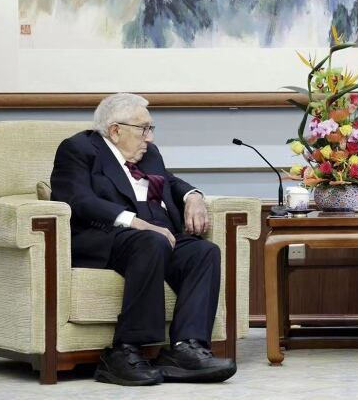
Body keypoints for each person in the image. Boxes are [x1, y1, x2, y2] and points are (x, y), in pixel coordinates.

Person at [50, 93, 237, 386]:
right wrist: (136, 223)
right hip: (107, 237)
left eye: (151, 129)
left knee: (204, 252)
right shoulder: (79, 149)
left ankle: (185, 348)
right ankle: (124, 352)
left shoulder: (149, 153)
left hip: (159, 237)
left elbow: (171, 181)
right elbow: (76, 199)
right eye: (143, 129)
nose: (149, 138)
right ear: (115, 130)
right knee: (152, 241)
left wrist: (194, 196)